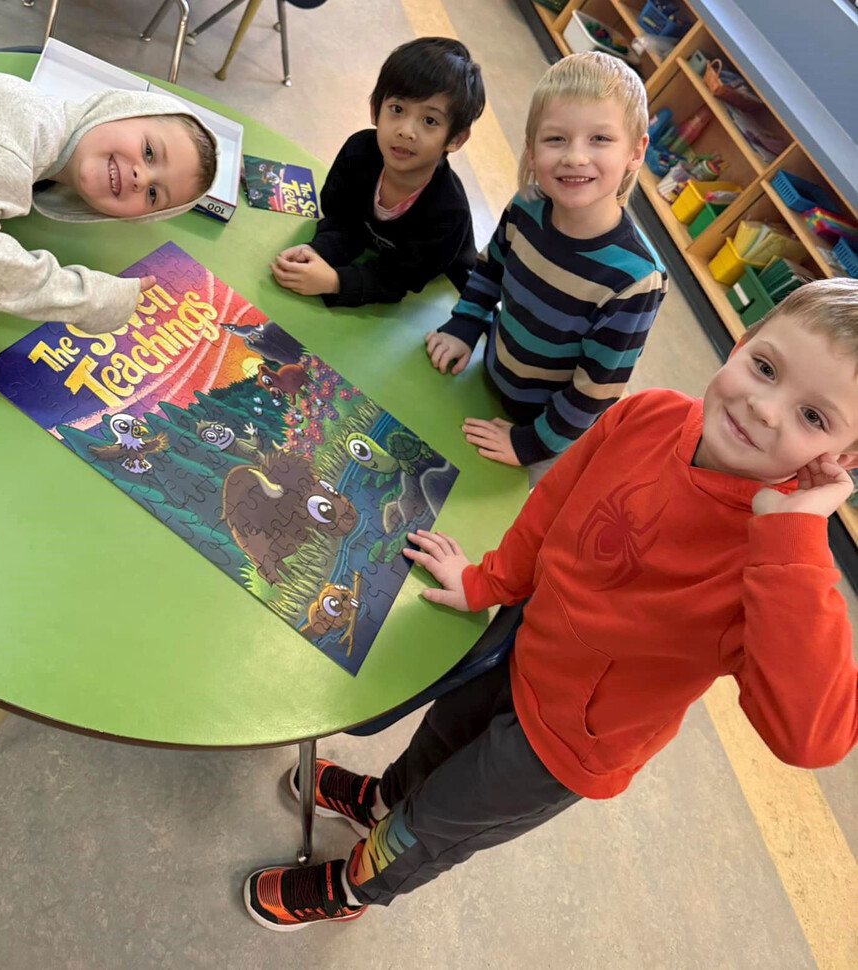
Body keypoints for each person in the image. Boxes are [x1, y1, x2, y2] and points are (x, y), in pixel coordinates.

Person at [243, 277, 858, 930]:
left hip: (562, 748)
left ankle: (350, 888)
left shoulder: (777, 559)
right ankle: (381, 798)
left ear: (843, 458)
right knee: (435, 743)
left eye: (813, 417)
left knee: (433, 826)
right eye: (766, 368)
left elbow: (811, 735)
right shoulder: (646, 415)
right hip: (517, 647)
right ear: (743, 343)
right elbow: (555, 500)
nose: (766, 409)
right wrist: (491, 580)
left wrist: (793, 534)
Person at [425, 51, 667, 468]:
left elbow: (596, 388)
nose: (574, 156)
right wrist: (466, 325)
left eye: (600, 139)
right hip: (486, 381)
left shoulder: (635, 279)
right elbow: (491, 268)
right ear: (532, 149)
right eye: (556, 138)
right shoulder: (528, 204)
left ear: (636, 150)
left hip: (547, 434)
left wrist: (531, 445)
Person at [0, 53, 218, 335]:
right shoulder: (29, 127)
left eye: (153, 194)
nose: (141, 176)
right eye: (149, 151)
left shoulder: (45, 151)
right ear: (120, 111)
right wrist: (84, 298)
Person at [268, 36, 485, 307]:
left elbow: (400, 278)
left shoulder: (449, 212)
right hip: (376, 255)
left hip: (440, 285)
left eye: (429, 120)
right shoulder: (358, 152)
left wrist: (336, 282)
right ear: (375, 109)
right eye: (397, 109)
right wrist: (318, 250)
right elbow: (343, 220)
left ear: (455, 139)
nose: (406, 130)